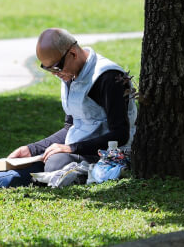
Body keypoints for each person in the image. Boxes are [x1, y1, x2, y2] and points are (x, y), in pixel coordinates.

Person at [7, 28, 137, 173]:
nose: (55, 74)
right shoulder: (70, 74)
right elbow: (71, 127)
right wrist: (32, 149)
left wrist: (72, 148)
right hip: (78, 150)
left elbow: (120, 135)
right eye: (48, 69)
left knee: (55, 163)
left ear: (73, 54)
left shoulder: (109, 77)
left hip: (111, 154)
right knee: (26, 163)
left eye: (56, 67)